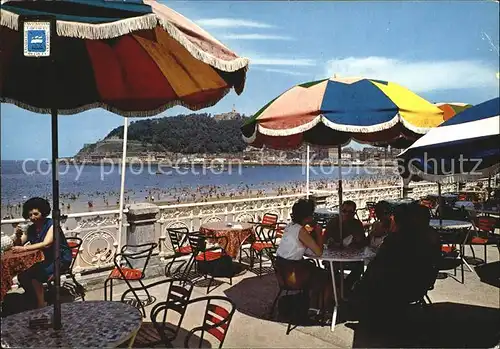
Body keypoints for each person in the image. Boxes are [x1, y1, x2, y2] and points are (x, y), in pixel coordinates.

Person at [349, 203, 440, 321]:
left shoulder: (396, 240)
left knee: (365, 282)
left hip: (397, 288)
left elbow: (377, 266)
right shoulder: (431, 236)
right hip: (421, 284)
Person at [11, 197, 72, 309]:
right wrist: (18, 236)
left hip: (59, 258)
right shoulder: (31, 228)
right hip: (43, 258)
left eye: (35, 214)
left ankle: (41, 303)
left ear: (43, 212)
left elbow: (47, 243)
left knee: (35, 274)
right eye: (30, 215)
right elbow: (19, 244)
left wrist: (24, 249)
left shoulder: (52, 224)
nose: (32, 217)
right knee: (23, 274)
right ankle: (34, 296)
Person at [275, 199, 333, 312]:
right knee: (328, 277)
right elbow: (319, 252)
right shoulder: (301, 231)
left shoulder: (290, 227)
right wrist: (319, 233)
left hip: (283, 273)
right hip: (294, 277)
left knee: (316, 271)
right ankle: (320, 309)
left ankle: (313, 305)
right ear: (307, 216)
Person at [324, 201, 367, 293]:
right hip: (334, 257)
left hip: (352, 257)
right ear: (340, 211)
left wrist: (357, 242)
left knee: (359, 266)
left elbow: (362, 243)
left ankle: (345, 288)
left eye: (350, 212)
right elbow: (326, 241)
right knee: (331, 269)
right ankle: (339, 290)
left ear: (354, 213)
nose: (347, 214)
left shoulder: (357, 224)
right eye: (344, 211)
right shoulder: (333, 223)